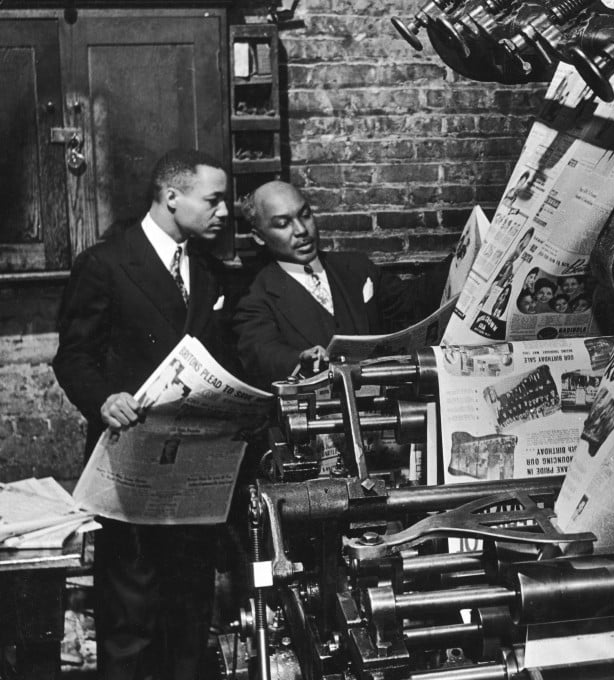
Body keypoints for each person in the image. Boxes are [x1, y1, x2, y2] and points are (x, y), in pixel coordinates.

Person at [53, 149, 231, 680]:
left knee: (190, 611)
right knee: (130, 613)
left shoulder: (212, 270)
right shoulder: (105, 264)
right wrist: (105, 397)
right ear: (171, 197)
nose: (223, 213)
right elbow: (74, 355)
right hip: (128, 464)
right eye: (214, 200)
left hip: (194, 470)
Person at [233, 181, 445, 388]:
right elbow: (262, 352)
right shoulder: (255, 297)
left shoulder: (356, 267)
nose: (301, 230)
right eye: (282, 224)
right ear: (259, 237)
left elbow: (412, 301)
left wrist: (463, 259)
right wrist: (300, 360)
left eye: (305, 215)